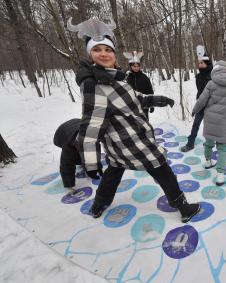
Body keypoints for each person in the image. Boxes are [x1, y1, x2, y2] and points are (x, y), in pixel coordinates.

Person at [68, 18, 200, 222]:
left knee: (114, 170)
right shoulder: (95, 84)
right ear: (90, 55)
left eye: (108, 49)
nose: (103, 53)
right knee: (162, 168)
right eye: (97, 50)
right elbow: (92, 125)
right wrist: (91, 163)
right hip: (135, 143)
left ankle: (98, 205)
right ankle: (182, 207)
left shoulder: (114, 78)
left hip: (119, 145)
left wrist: (159, 99)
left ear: (114, 54)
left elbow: (134, 99)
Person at [191, 60, 226, 186]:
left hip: (210, 118)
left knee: (208, 142)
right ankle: (220, 175)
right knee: (222, 148)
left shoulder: (211, 83)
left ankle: (208, 162)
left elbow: (202, 100)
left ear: (215, 70)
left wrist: (195, 110)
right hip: (224, 119)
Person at [53, 118, 102, 189]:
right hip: (61, 133)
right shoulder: (68, 146)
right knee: (74, 158)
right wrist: (69, 185)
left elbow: (94, 155)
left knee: (89, 156)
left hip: (77, 124)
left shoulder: (92, 137)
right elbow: (66, 166)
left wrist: (96, 169)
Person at [180, 49, 213, 152]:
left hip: (211, 104)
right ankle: (190, 144)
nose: (199, 65)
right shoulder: (198, 76)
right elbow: (200, 90)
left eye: (201, 63)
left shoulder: (213, 75)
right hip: (200, 103)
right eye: (198, 63)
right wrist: (198, 100)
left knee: (209, 126)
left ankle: (209, 143)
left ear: (207, 63)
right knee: (196, 123)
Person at [124, 51, 154, 120]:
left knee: (145, 122)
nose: (136, 68)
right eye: (134, 66)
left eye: (138, 66)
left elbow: (150, 90)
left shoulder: (144, 77)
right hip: (132, 105)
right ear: (131, 66)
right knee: (134, 124)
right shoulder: (127, 77)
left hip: (144, 105)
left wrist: (151, 104)